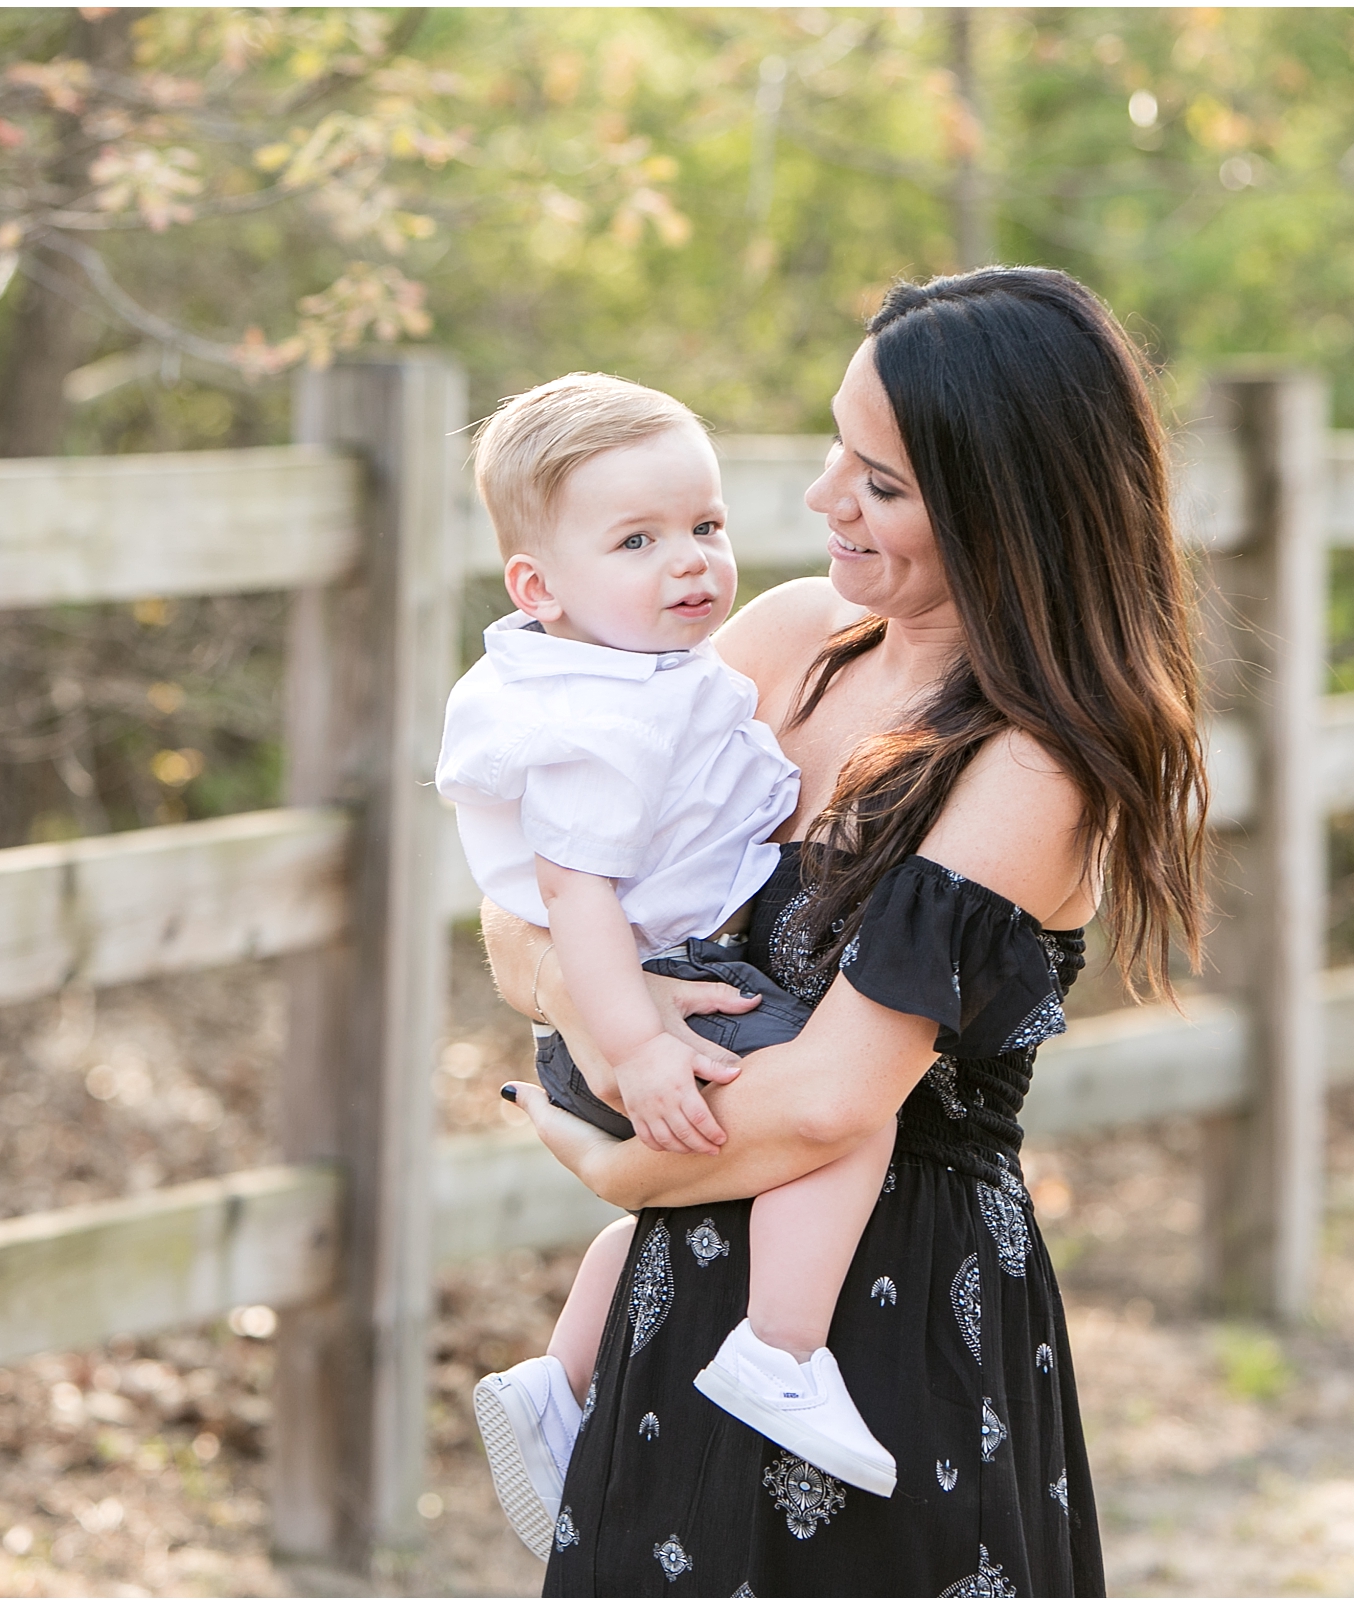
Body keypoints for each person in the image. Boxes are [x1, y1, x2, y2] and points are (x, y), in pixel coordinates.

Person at [489, 267, 1208, 1596]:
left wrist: (612, 1169)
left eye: (879, 481)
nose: (824, 498)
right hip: (690, 1285)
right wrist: (620, 1010)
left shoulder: (1028, 769)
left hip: (887, 1330)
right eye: (837, 446)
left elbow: (827, 1103)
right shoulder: (784, 643)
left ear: (1004, 511)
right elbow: (527, 900)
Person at [439, 374, 909, 1562]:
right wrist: (631, 1042)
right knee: (859, 1125)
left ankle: (563, 1378)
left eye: (704, 527)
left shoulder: (655, 673)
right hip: (644, 1014)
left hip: (652, 1002)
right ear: (539, 589)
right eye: (639, 541)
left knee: (731, 1188)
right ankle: (778, 1352)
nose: (692, 563)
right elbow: (567, 899)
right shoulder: (605, 719)